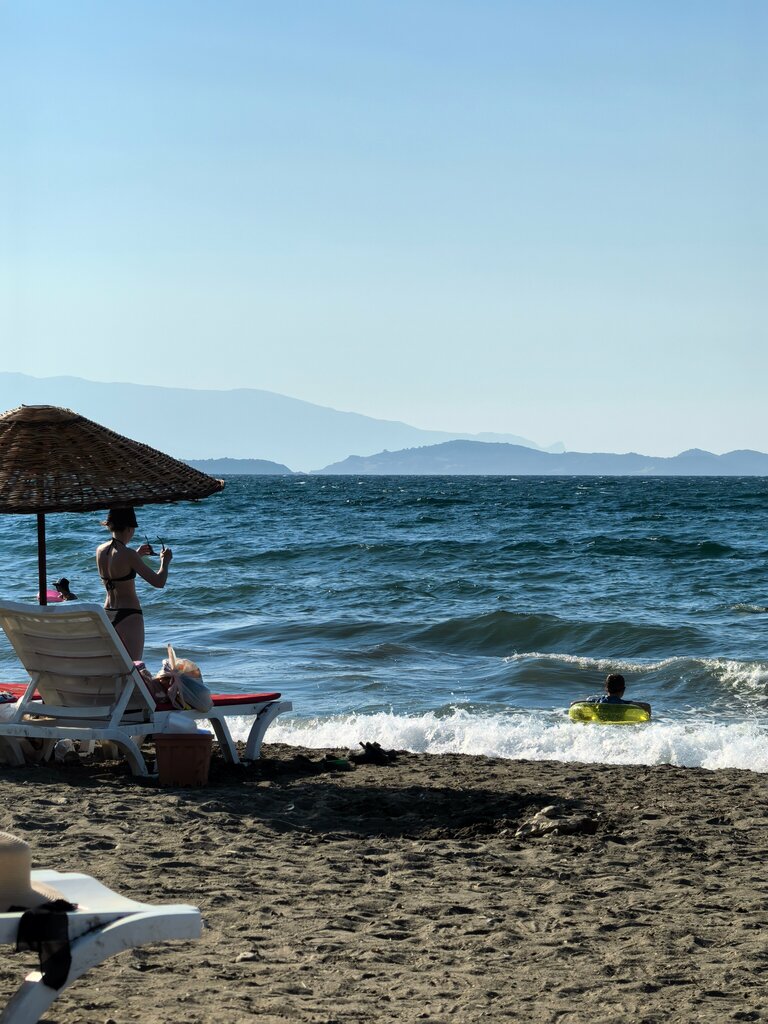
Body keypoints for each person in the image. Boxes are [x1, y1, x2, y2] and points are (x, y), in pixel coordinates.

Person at [96, 507, 172, 661]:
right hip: (129, 615)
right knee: (134, 668)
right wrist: (165, 562)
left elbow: (117, 571)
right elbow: (159, 582)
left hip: (107, 613)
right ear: (130, 528)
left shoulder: (100, 550)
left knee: (113, 666)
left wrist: (137, 555)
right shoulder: (129, 554)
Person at [574, 672, 652, 717]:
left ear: (606, 688)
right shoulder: (624, 704)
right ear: (623, 690)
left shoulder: (597, 702)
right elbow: (647, 706)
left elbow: (574, 704)